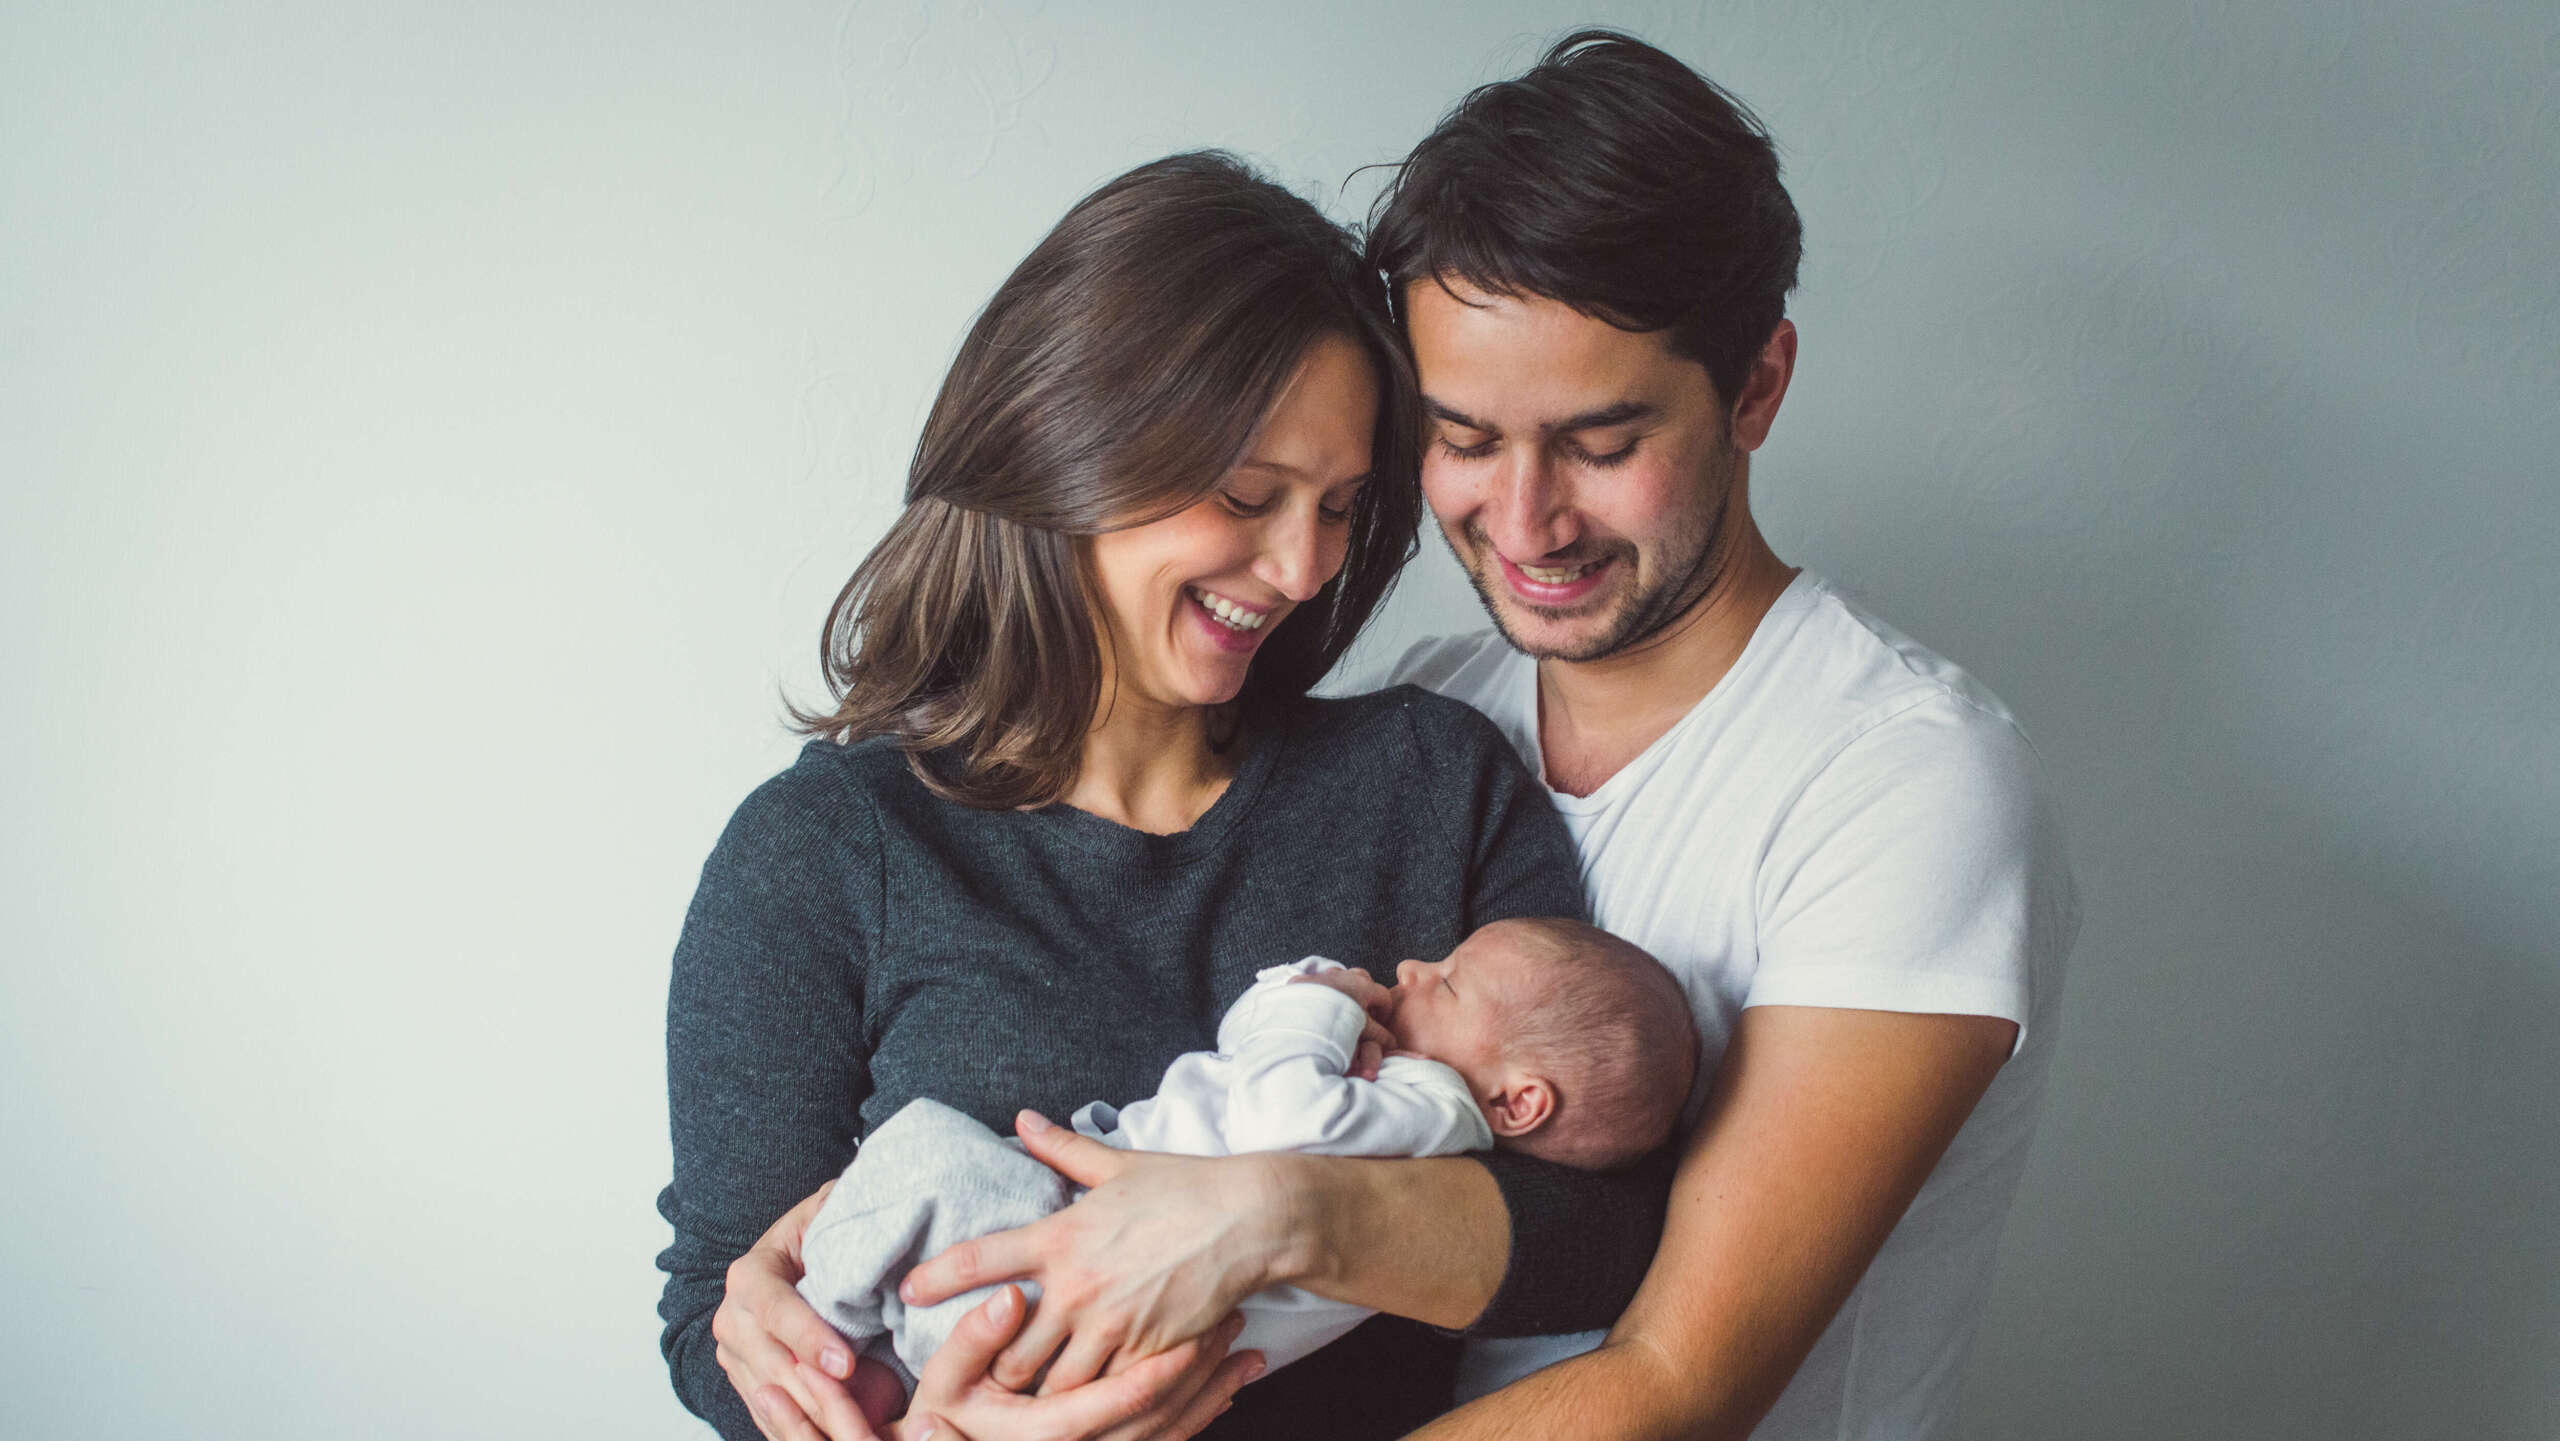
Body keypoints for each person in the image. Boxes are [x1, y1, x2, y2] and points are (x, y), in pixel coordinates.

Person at [720, 30, 2079, 1441]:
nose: (1526, 519)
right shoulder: (1440, 714)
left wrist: (1278, 1216)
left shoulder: (1900, 777)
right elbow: (737, 1285)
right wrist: (777, 1319)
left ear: (1755, 388)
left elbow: (1673, 1374)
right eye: (1464, 438)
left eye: (1602, 443)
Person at [654, 150, 1678, 1441]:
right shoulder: (827, 850)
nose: (1304, 567)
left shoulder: (1429, 780)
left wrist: (1267, 1219)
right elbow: (718, 1313)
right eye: (1249, 497)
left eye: (1343, 510)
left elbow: (1605, 1231)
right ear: (1065, 444)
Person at [794, 921, 1698, 1389]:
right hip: (1050, 1310)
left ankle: (822, 1326)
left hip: (1061, 1277)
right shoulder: (1399, 1102)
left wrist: (1325, 1006)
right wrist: (1312, 993)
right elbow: (1250, 1040)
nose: (1415, 969)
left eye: (1451, 980)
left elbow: (1275, 1111)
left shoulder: (1436, 1110)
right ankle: (861, 1367)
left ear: (1517, 1101)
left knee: (925, 1144)